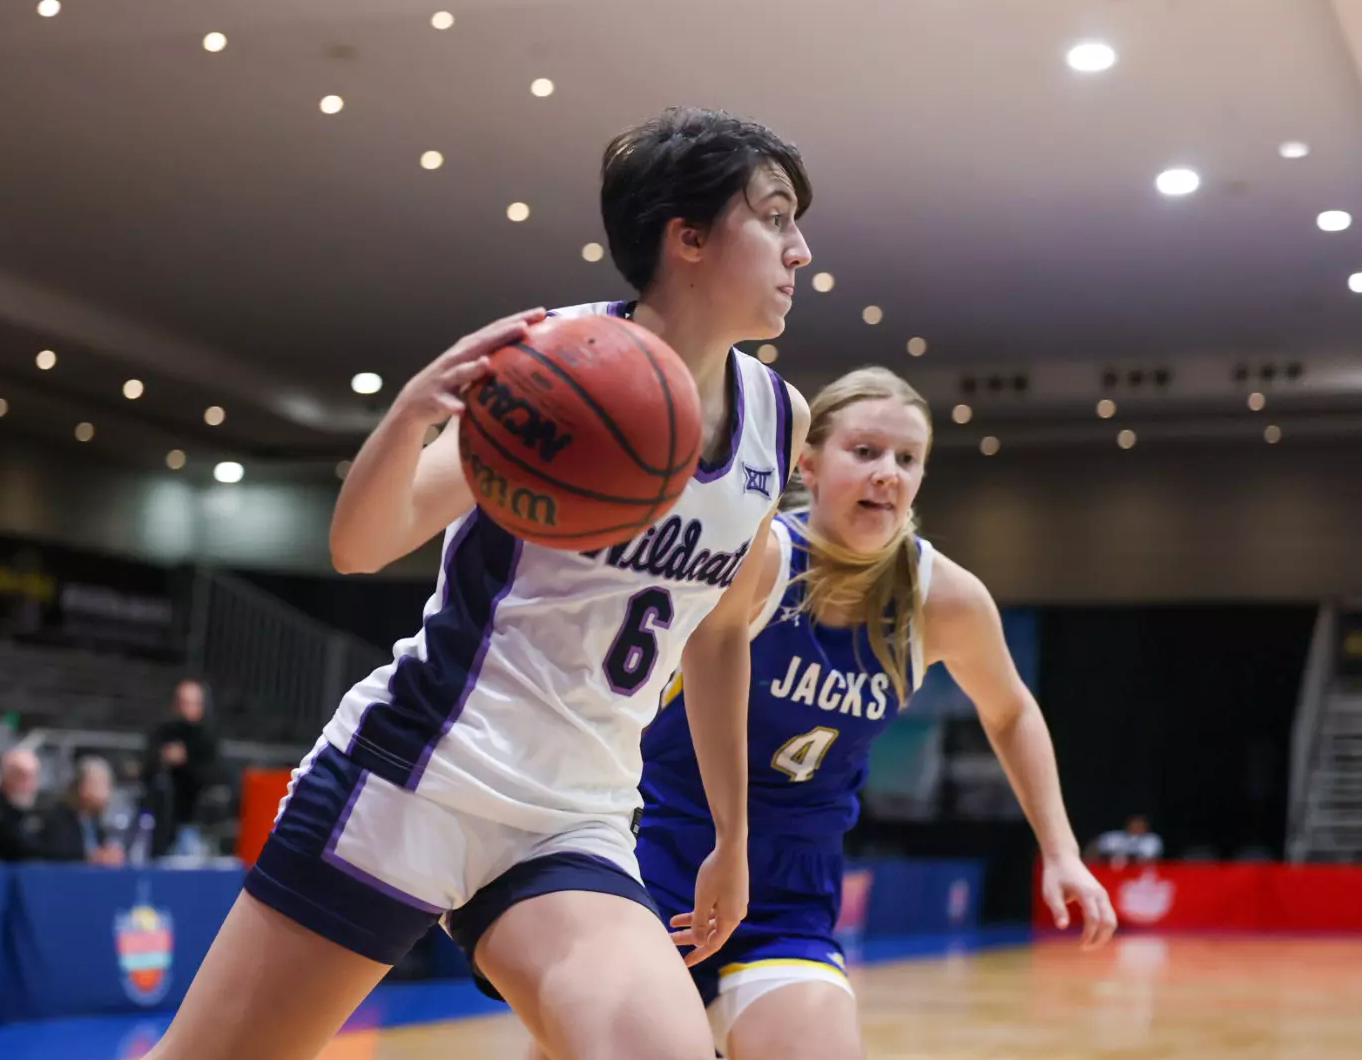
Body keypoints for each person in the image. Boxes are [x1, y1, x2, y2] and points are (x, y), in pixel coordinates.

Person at [141, 106, 814, 1060]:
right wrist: (413, 412)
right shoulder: (561, 365)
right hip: (420, 776)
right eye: (777, 217)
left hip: (575, 818)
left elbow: (715, 635)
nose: (801, 250)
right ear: (689, 236)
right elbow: (361, 547)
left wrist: (732, 836)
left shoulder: (775, 421)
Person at [530, 367, 1118, 1060]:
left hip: (791, 893)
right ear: (807, 463)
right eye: (864, 452)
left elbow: (1012, 710)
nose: (887, 474)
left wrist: (1061, 851)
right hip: (659, 858)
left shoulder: (942, 597)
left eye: (907, 459)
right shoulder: (756, 559)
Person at [141, 679, 222, 857]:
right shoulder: (162, 733)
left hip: (191, 821)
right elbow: (146, 769)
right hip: (158, 821)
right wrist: (163, 758)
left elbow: (212, 777)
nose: (186, 709)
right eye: (182, 702)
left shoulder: (206, 739)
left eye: (192, 703)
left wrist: (185, 761)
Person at [41, 755, 127, 865]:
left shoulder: (94, 820)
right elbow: (58, 854)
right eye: (102, 785)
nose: (108, 794)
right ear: (83, 787)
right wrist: (92, 857)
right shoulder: (59, 818)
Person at [1087, 814, 1162, 867]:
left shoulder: (1152, 840)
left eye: (1140, 824)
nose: (1136, 826)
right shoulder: (1115, 837)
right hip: (1110, 872)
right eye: (1135, 823)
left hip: (1138, 874)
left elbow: (1150, 859)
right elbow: (1095, 846)